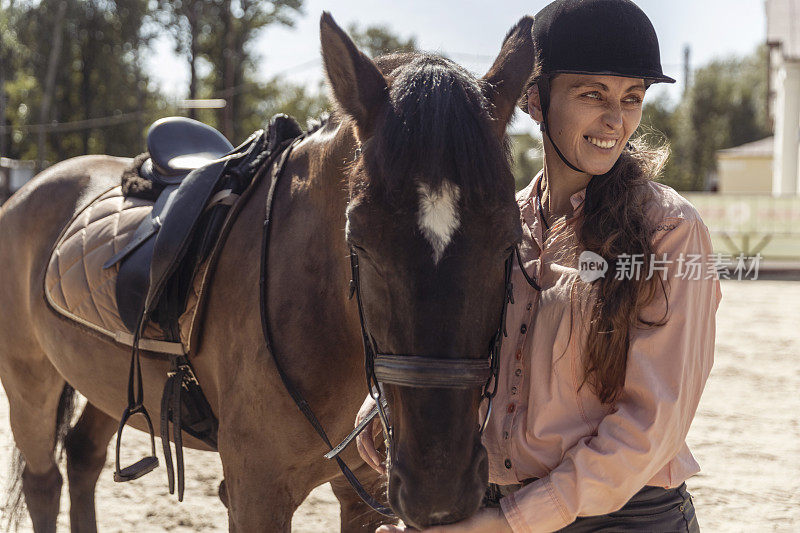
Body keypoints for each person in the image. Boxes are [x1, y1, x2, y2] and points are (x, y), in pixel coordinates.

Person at [358, 0, 722, 531]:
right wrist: (382, 400)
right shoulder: (496, 224)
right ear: (534, 101)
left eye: (632, 98)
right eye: (591, 94)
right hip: (493, 503)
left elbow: (650, 426)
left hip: (622, 518)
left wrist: (507, 523)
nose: (615, 120)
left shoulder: (670, 230)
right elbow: (450, 339)